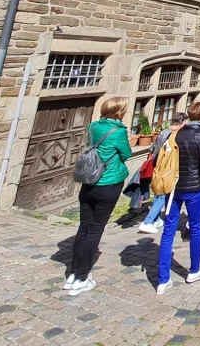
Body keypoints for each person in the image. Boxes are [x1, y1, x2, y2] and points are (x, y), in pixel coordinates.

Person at [64, 97, 132, 296]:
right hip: (108, 183)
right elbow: (126, 154)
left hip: (89, 182)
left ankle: (73, 273)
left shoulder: (93, 126)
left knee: (83, 227)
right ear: (119, 113)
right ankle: (82, 277)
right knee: (95, 230)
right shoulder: (119, 132)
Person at [156, 103, 200, 294]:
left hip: (172, 187)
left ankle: (163, 279)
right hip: (195, 188)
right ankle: (194, 270)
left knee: (168, 230)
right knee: (196, 227)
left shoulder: (175, 134)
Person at [138, 112, 188, 234]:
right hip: (167, 166)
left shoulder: (164, 131)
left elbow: (153, 147)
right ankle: (147, 222)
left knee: (158, 192)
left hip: (157, 164)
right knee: (164, 193)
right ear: (182, 123)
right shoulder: (175, 134)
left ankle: (155, 219)